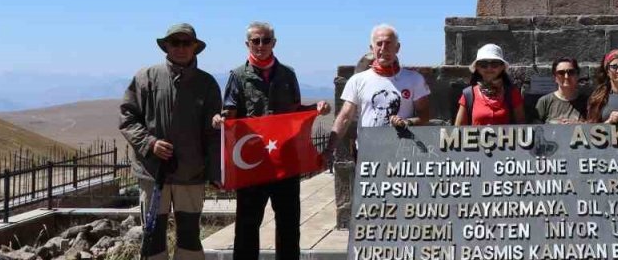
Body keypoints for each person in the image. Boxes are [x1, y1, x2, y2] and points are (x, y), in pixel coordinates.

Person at [213, 22, 327, 260]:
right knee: (247, 225)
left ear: (274, 43)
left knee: (288, 224)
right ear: (248, 44)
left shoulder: (287, 74)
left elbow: (296, 111)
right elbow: (230, 114)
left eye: (266, 40)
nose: (261, 46)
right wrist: (221, 120)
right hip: (252, 164)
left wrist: (315, 109)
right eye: (256, 41)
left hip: (285, 163)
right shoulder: (238, 76)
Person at [119, 23, 221, 260]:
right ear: (166, 46)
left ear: (195, 47)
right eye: (175, 42)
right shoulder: (145, 78)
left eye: (187, 43)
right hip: (153, 173)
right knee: (153, 236)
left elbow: (214, 134)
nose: (181, 48)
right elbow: (127, 117)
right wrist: (150, 143)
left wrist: (216, 172)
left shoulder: (207, 84)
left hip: (191, 174)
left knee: (190, 236)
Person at [327, 24, 430, 153]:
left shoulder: (414, 79)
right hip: (367, 153)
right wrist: (329, 149)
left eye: (388, 43)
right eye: (379, 44)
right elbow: (345, 117)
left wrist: (407, 122)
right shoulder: (358, 80)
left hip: (402, 152)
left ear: (397, 48)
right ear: (372, 48)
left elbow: (425, 114)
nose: (383, 48)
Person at [454, 44, 525, 126]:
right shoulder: (468, 95)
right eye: (483, 65)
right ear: (477, 67)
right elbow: (458, 129)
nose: (489, 68)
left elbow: (521, 126)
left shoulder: (513, 94)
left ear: (502, 67)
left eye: (494, 64)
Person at [535, 58, 587, 124]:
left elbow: (595, 125)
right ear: (555, 77)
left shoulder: (588, 102)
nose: (566, 76)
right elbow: (536, 128)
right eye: (561, 73)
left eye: (571, 72)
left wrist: (579, 124)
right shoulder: (544, 102)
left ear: (577, 75)